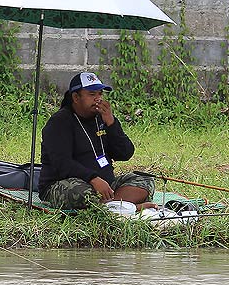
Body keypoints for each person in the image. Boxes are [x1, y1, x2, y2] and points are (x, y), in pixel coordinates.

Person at [38, 71, 155, 210]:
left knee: (146, 180)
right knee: (80, 192)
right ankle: (127, 207)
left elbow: (125, 153)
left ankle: (113, 207)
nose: (98, 99)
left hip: (106, 186)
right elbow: (62, 163)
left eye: (100, 94)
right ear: (76, 97)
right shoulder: (59, 122)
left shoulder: (103, 118)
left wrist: (111, 124)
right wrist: (93, 179)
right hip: (65, 184)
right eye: (92, 94)